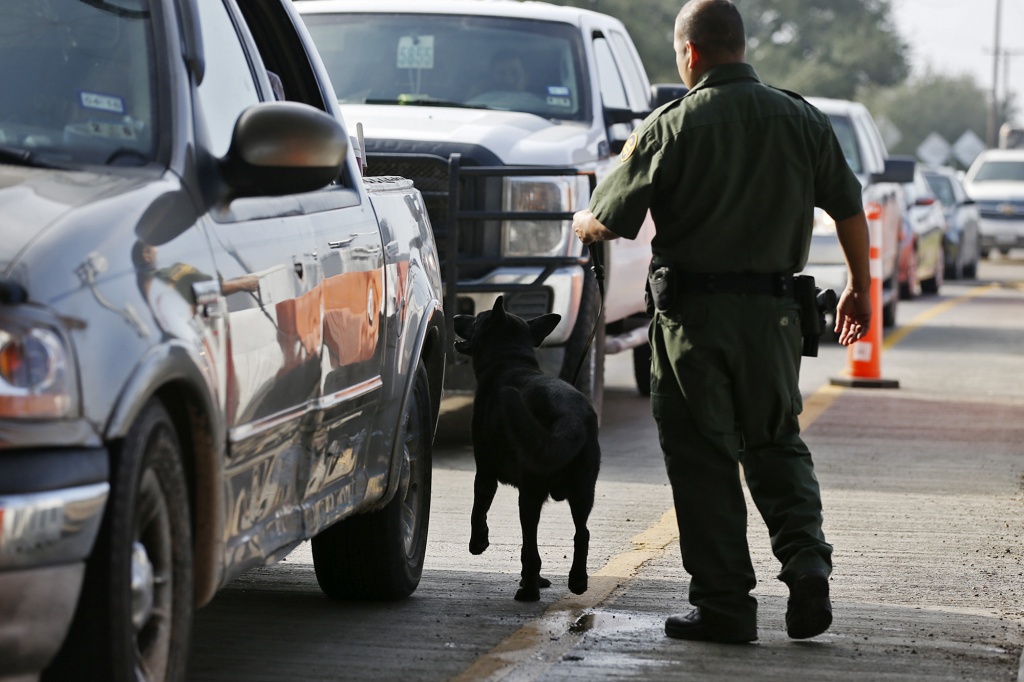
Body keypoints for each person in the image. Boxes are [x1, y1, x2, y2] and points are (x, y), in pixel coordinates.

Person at [572, 0, 872, 644]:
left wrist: (580, 217)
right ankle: (808, 566)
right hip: (775, 320)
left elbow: (609, 219)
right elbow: (849, 208)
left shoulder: (670, 126)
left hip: (693, 324)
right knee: (775, 441)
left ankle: (727, 606)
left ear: (691, 53)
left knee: (703, 456)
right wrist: (859, 289)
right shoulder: (801, 119)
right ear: (740, 45)